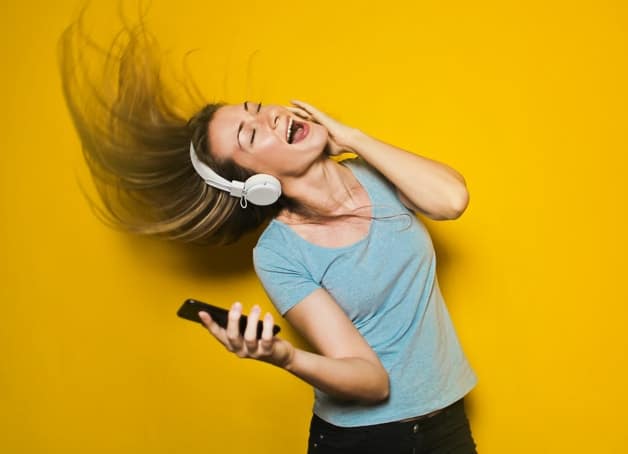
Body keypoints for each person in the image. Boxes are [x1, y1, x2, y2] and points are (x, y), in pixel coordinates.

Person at [59, 15, 479, 454]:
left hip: (446, 422)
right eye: (251, 134)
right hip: (364, 440)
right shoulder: (279, 253)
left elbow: (451, 200)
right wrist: (284, 357)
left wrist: (352, 135)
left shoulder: (376, 173)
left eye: (258, 109)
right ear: (255, 184)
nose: (272, 117)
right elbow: (371, 383)